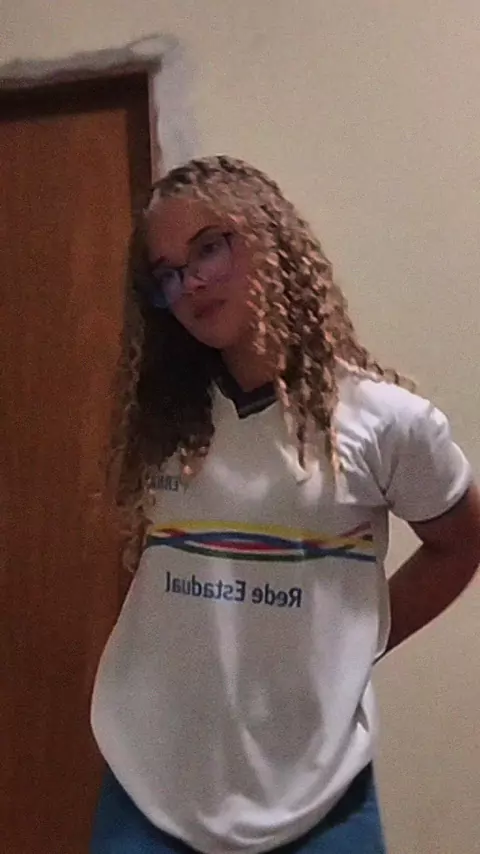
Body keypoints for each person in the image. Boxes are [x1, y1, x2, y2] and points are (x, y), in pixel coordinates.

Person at [90, 156, 480, 854]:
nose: (191, 282)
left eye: (210, 247)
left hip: (316, 789)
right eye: (167, 274)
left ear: (270, 238)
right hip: (150, 782)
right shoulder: (163, 422)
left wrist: (360, 639)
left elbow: (462, 541)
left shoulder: (385, 423)